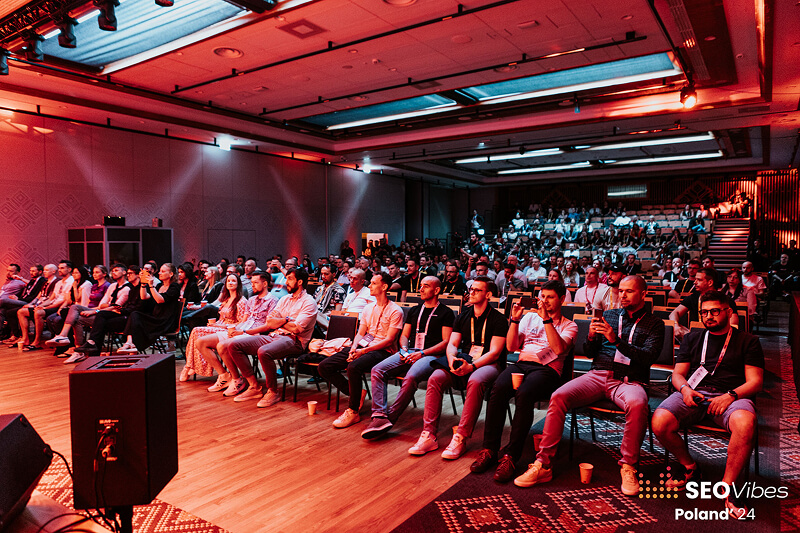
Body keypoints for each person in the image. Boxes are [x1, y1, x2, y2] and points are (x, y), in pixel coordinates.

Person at [513, 275, 664, 496]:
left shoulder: (655, 324)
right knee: (559, 396)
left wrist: (615, 340)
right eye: (621, 290)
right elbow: (590, 352)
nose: (622, 295)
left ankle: (629, 466)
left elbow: (647, 358)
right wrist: (592, 338)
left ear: (643, 294)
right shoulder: (609, 315)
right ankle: (543, 464)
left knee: (638, 404)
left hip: (628, 380)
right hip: (597, 374)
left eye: (629, 291)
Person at [652, 291, 763, 518]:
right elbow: (678, 375)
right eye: (704, 312)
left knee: (745, 423)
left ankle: (728, 487)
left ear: (728, 312)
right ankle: (690, 468)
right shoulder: (692, 338)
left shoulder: (747, 341)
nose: (708, 316)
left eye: (714, 311)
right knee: (659, 421)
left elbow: (755, 382)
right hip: (695, 393)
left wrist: (730, 395)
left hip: (732, 397)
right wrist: (685, 389)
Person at [471, 281, 577, 482]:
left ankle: (511, 457)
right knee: (497, 388)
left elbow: (558, 349)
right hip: (522, 365)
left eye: (550, 297)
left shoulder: (569, 325)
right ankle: (490, 449)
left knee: (524, 393)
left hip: (548, 371)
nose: (544, 301)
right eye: (542, 296)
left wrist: (546, 320)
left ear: (562, 299)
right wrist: (514, 320)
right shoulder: (529, 317)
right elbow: (511, 347)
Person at [409, 277, 508, 459]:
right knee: (436, 377)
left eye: (477, 290)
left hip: (488, 363)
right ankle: (429, 434)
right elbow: (452, 344)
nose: (472, 292)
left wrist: (472, 366)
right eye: (471, 289)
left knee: (476, 380)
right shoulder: (463, 316)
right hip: (466, 359)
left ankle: (460, 437)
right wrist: (452, 359)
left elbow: (494, 352)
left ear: (488, 295)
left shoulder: (499, 319)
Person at [362, 276, 455, 439]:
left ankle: (391, 417)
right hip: (410, 351)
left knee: (411, 377)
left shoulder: (446, 312)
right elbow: (404, 336)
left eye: (426, 286)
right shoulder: (414, 310)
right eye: (421, 285)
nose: (421, 289)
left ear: (436, 290)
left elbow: (446, 342)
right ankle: (379, 416)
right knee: (377, 370)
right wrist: (404, 349)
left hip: (430, 355)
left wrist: (422, 353)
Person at [217, 268, 316, 407]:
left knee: (264, 351)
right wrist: (286, 320)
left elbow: (296, 329)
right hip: (274, 335)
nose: (286, 282)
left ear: (299, 282)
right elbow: (269, 322)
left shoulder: (309, 302)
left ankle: (273, 392)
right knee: (234, 345)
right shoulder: (285, 299)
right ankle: (254, 387)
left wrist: (280, 321)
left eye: (290, 279)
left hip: (294, 341)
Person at [319, 273, 404, 428]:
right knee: (324, 366)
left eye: (373, 283)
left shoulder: (395, 310)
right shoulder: (368, 308)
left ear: (384, 287)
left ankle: (353, 411)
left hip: (383, 351)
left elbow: (389, 340)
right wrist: (353, 348)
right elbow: (361, 333)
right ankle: (356, 394)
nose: (369, 286)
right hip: (363, 347)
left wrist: (362, 352)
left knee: (353, 367)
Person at [181, 273, 249, 382]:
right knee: (196, 331)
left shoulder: (241, 301)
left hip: (228, 329)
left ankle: (189, 366)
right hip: (219, 326)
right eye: (228, 281)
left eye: (233, 281)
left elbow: (241, 323)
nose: (230, 283)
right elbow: (221, 318)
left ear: (238, 284)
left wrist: (218, 325)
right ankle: (190, 365)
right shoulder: (226, 300)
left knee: (197, 331)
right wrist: (214, 324)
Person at [73, 265, 147, 358]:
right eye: (128, 273)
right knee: (98, 319)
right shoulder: (127, 288)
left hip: (132, 318)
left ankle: (93, 352)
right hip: (122, 313)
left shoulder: (131, 288)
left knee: (101, 321)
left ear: (138, 275)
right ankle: (91, 349)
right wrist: (114, 308)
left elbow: (133, 307)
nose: (128, 275)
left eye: (130, 273)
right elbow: (102, 304)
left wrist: (119, 310)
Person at [116, 263, 182, 354]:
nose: (159, 273)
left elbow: (160, 300)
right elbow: (144, 297)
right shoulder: (159, 286)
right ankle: (131, 343)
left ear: (171, 274)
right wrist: (143, 284)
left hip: (165, 321)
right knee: (135, 314)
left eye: (163, 271)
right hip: (156, 318)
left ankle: (136, 345)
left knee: (136, 316)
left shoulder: (174, 287)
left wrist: (151, 285)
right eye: (160, 271)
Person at [46, 265, 110, 348]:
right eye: (93, 272)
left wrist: (92, 310)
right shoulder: (94, 286)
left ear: (104, 274)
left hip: (96, 311)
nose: (94, 274)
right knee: (68, 312)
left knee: (72, 312)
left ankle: (71, 343)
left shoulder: (106, 286)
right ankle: (73, 345)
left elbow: (102, 305)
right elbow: (75, 299)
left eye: (97, 272)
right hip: (89, 308)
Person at [16, 261, 74, 350]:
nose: (59, 270)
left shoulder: (71, 281)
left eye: (62, 268)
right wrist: (39, 305)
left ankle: (37, 342)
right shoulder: (59, 283)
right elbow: (51, 298)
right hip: (52, 304)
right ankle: (25, 338)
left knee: (38, 313)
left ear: (69, 269)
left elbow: (64, 300)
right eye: (59, 268)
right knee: (21, 312)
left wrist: (45, 307)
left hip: (60, 306)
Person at [670, 267, 739, 340]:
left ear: (710, 283)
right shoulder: (693, 297)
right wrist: (676, 325)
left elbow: (733, 325)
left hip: (718, 337)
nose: (695, 282)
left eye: (699, 280)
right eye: (695, 279)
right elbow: (674, 313)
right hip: (697, 337)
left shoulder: (725, 300)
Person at [312, 264, 346, 336]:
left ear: (333, 274)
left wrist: (323, 315)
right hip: (315, 315)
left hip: (326, 318)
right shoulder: (319, 289)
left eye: (326, 274)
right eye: (322, 274)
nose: (323, 276)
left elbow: (337, 313)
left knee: (314, 315)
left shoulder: (339, 291)